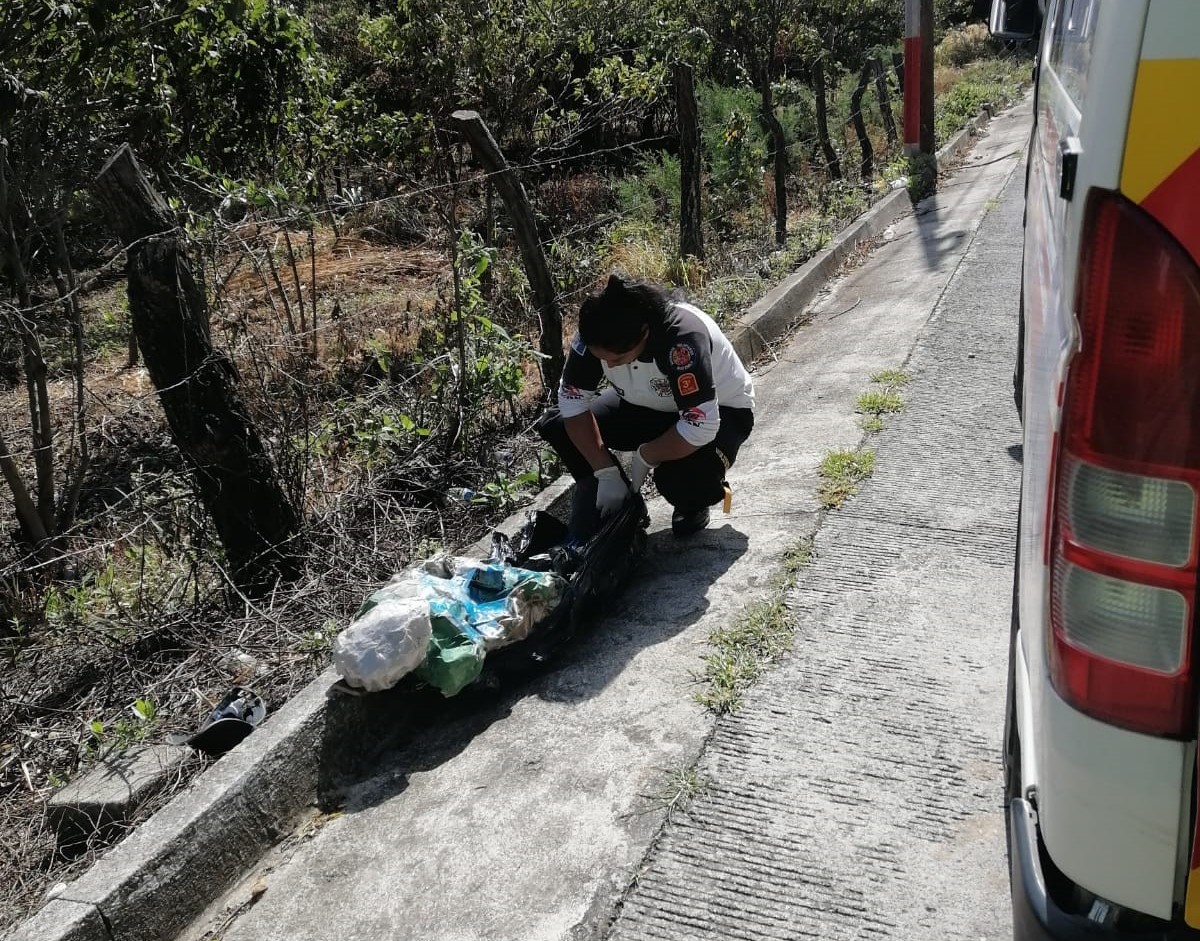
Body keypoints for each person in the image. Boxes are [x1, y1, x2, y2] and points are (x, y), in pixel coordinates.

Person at [537, 272, 755, 539]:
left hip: (721, 412)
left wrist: (646, 456)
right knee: (558, 424)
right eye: (602, 360)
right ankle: (617, 502)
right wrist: (605, 471)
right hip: (646, 404)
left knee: (680, 480)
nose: (610, 366)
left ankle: (695, 501)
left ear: (644, 333)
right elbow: (571, 402)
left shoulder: (681, 340)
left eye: (618, 359)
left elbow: (701, 425)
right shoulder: (594, 336)